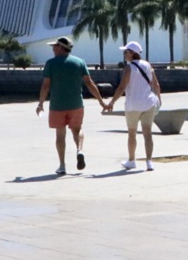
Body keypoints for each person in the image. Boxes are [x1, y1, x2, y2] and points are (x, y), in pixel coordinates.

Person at [36, 36, 105, 176]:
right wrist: (101, 101)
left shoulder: (50, 63)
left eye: (55, 46)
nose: (53, 49)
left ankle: (62, 165)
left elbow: (45, 85)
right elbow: (89, 83)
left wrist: (41, 103)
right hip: (76, 104)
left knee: (60, 135)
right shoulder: (79, 62)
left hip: (57, 105)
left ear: (61, 47)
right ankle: (79, 150)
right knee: (77, 130)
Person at [108, 41, 162, 171]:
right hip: (149, 103)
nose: (124, 54)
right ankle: (149, 161)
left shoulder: (129, 68)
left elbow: (122, 87)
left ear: (132, 53)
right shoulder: (148, 65)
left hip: (133, 105)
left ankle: (132, 160)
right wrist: (159, 100)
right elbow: (156, 85)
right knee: (147, 133)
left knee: (132, 134)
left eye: (126, 52)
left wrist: (112, 102)